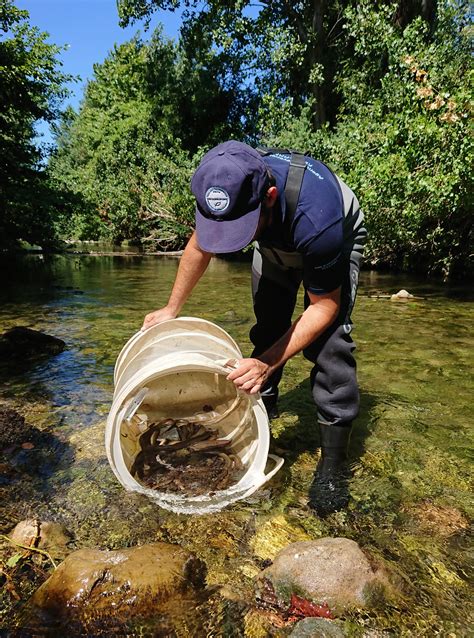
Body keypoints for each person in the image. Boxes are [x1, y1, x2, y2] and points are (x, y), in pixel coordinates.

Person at [142, 140, 366, 515]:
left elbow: (323, 307)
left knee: (329, 346)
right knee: (268, 327)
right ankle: (262, 417)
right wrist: (172, 307)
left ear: (271, 197)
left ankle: (333, 462)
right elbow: (199, 246)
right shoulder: (226, 186)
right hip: (275, 241)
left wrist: (267, 363)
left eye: (239, 229)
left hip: (331, 235)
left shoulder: (318, 216)